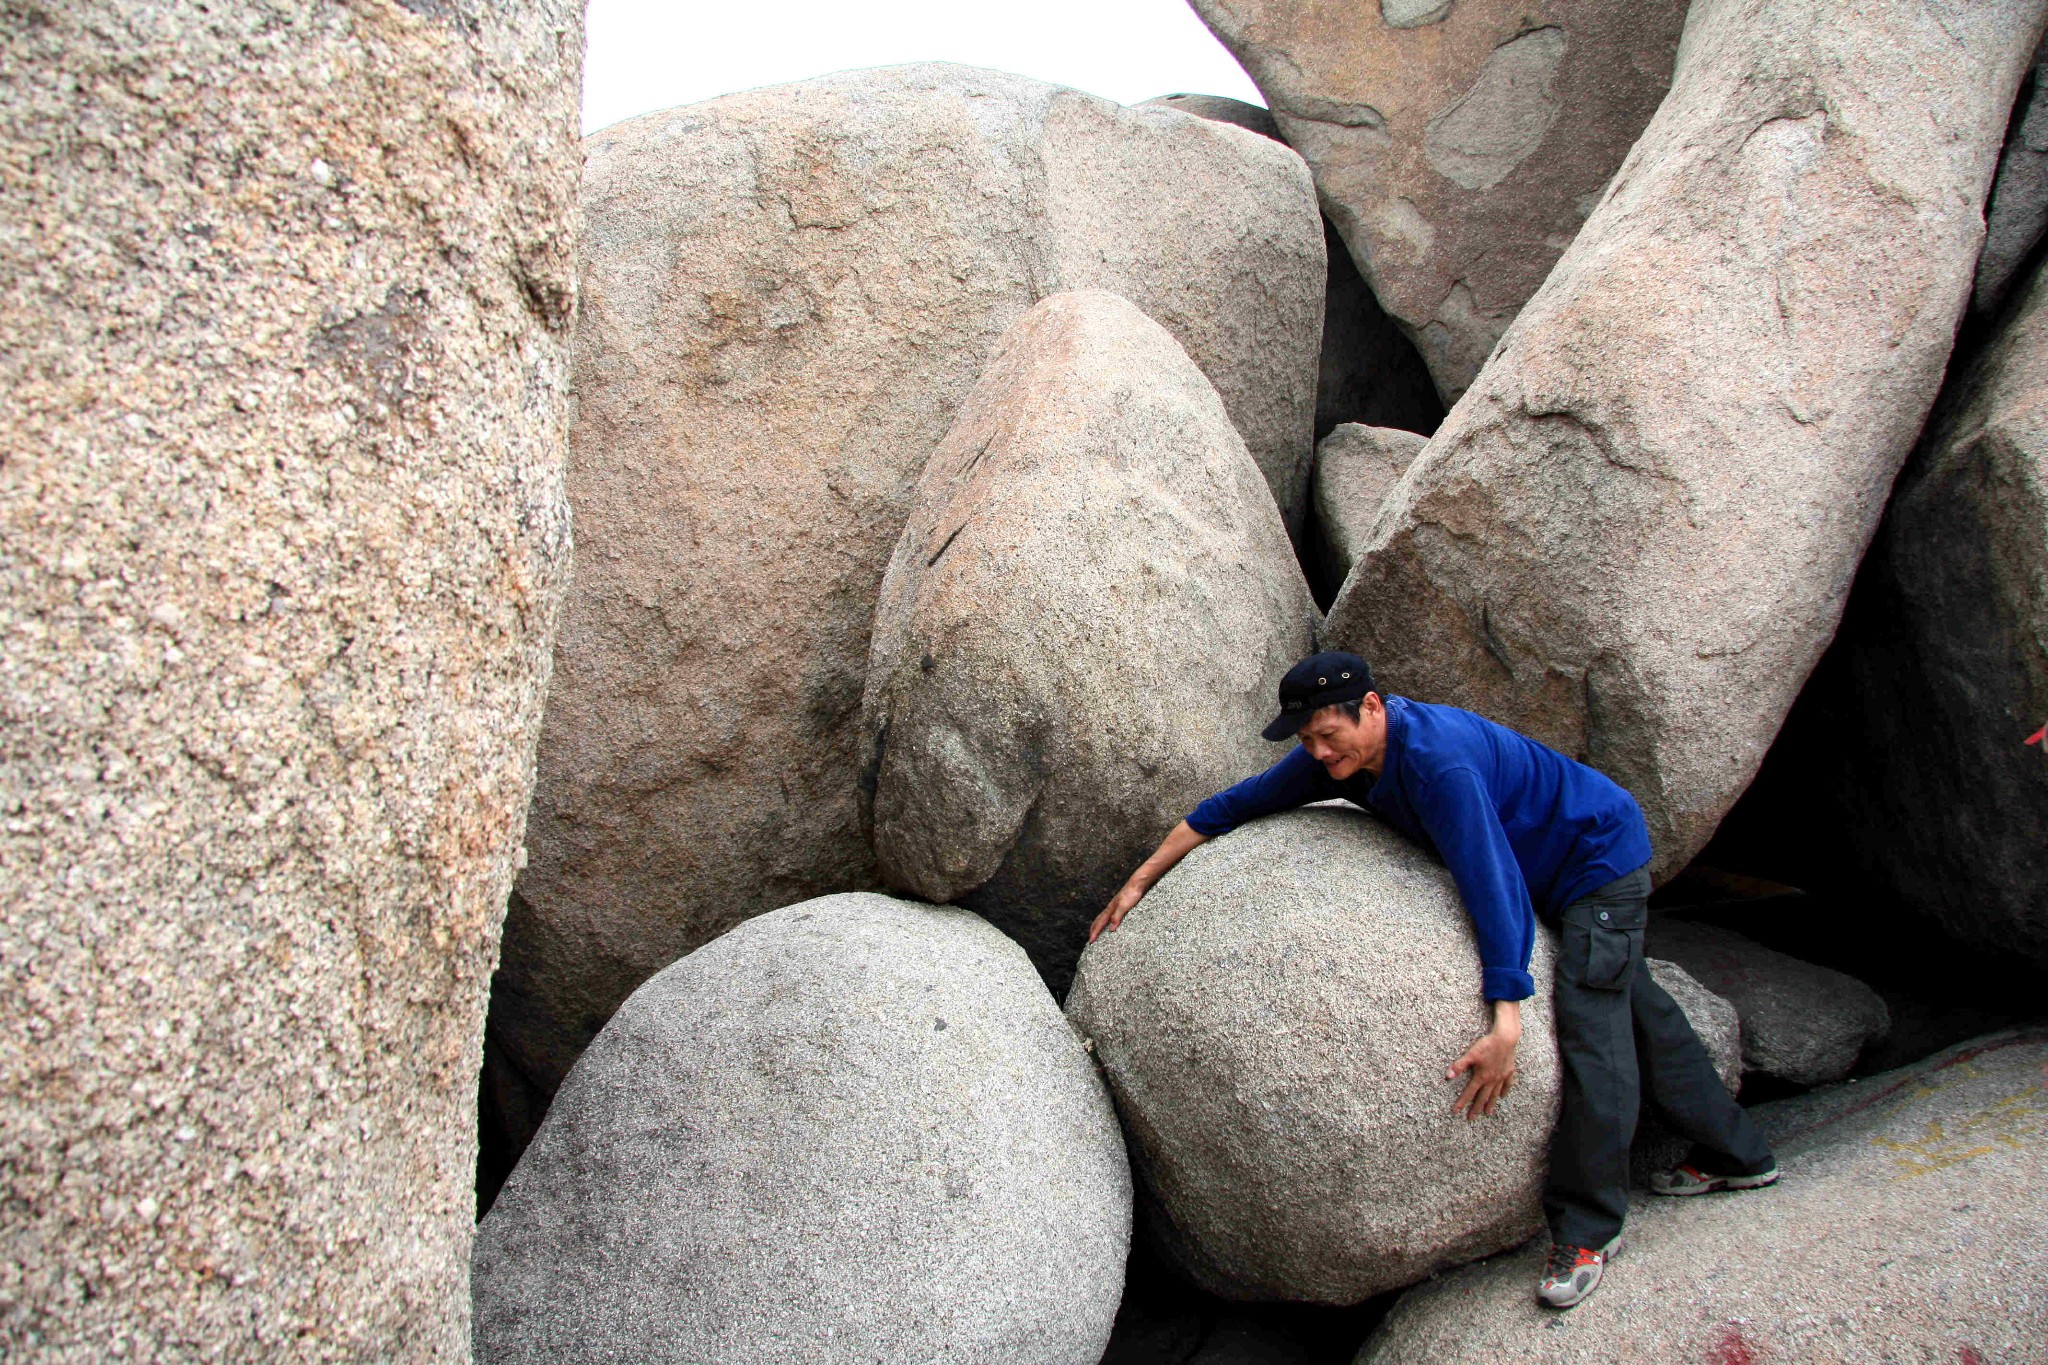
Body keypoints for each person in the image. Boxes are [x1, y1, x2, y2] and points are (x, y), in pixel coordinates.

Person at [1087, 650, 1778, 1309]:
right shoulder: (1344, 760)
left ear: (1371, 706)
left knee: (1594, 1028)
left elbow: (1491, 878)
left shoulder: (1436, 763)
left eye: (1329, 735)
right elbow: (1232, 804)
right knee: (1640, 1010)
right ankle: (1740, 1154)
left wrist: (1506, 1015)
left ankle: (1588, 1231)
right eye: (1308, 741)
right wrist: (1140, 879)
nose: (1320, 754)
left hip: (1595, 862)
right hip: (1553, 864)